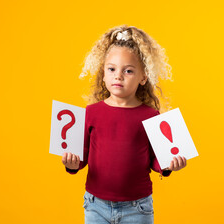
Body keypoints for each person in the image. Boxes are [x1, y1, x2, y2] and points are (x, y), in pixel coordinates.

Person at [62, 25, 187, 224]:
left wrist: (169, 165)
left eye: (128, 71)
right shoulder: (91, 113)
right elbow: (81, 157)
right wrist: (71, 164)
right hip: (96, 206)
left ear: (143, 77)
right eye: (111, 69)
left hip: (137, 208)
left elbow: (155, 160)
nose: (118, 75)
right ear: (103, 74)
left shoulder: (150, 115)